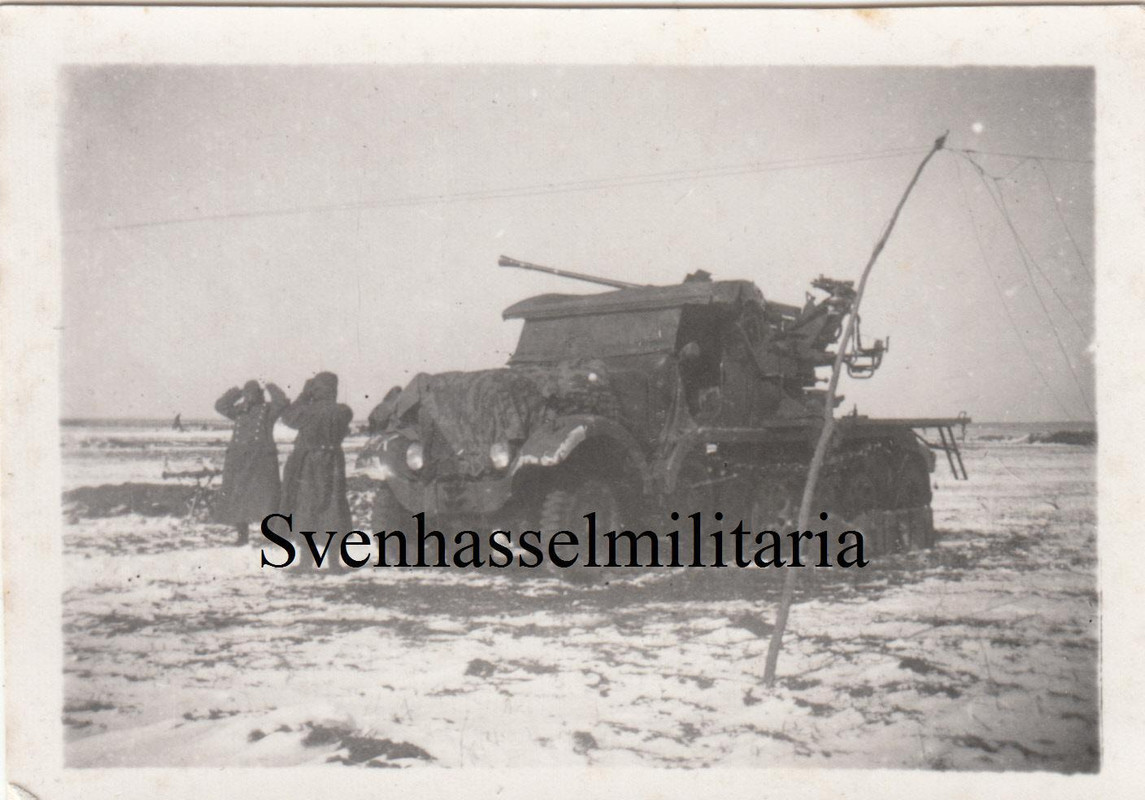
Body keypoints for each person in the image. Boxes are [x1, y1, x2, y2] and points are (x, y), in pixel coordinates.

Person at [214, 380, 289, 545]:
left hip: (261, 460)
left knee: (268, 497)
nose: (250, 397)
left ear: (260, 394)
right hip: (239, 459)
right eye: (247, 393)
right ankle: (242, 536)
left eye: (253, 392)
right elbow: (220, 405)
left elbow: (282, 402)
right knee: (239, 496)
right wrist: (238, 391)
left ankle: (272, 535)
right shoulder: (239, 410)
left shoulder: (267, 410)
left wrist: (270, 385)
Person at [280, 371, 354, 535]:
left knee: (307, 503)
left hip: (309, 461)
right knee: (334, 504)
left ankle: (306, 548)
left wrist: (304, 395)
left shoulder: (308, 411)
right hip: (334, 460)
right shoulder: (343, 411)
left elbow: (288, 417)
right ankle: (333, 547)